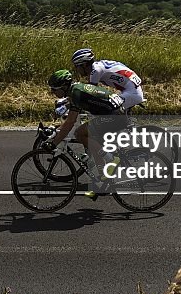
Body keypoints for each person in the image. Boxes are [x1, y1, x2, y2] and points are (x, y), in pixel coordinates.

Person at [41, 69, 126, 200]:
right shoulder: (75, 91)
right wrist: (56, 128)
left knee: (80, 133)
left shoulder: (76, 94)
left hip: (114, 116)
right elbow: (70, 120)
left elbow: (69, 123)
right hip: (112, 113)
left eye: (54, 89)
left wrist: (53, 143)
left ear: (63, 87)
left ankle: (111, 160)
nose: (52, 92)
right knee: (91, 142)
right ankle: (103, 182)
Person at [70, 48, 145, 111]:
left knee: (105, 110)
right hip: (131, 88)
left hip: (132, 93)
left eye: (77, 67)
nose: (77, 70)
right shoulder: (97, 66)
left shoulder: (95, 71)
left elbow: (87, 94)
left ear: (84, 64)